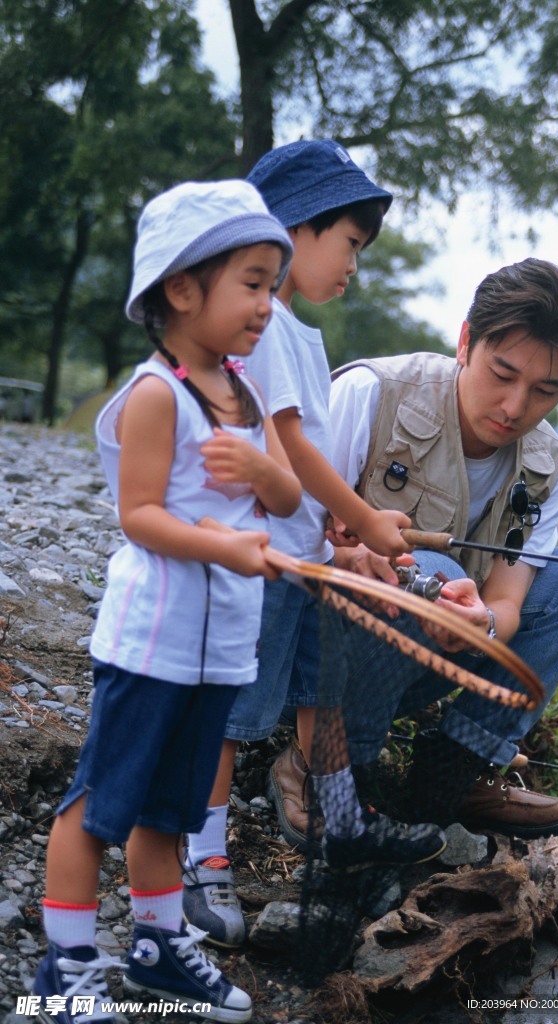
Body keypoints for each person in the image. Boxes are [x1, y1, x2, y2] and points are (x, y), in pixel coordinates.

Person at [32, 179, 303, 1024]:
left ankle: (156, 947)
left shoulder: (246, 395)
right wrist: (227, 545)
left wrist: (267, 476)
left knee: (173, 808)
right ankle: (63, 967)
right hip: (154, 639)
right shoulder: (158, 395)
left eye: (271, 284)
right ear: (182, 289)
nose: (268, 305)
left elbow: (287, 502)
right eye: (252, 283)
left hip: (219, 647)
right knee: (101, 804)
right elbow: (140, 515)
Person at [182, 140, 446, 948]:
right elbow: (289, 446)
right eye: (351, 245)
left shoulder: (300, 336)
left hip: (303, 559)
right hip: (256, 560)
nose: (355, 267)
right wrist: (365, 519)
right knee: (228, 714)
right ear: (295, 228)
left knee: (319, 689)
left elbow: (307, 460)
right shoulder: (264, 327)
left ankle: (339, 822)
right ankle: (202, 858)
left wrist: (338, 528)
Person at [325, 257, 558, 838]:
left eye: (545, 389)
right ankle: (329, 766)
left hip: (430, 655)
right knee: (428, 566)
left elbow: (507, 603)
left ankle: (455, 773)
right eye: (501, 373)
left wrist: (479, 622)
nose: (514, 407)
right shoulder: (370, 394)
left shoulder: (547, 462)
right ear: (465, 341)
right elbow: (277, 543)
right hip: (317, 664)